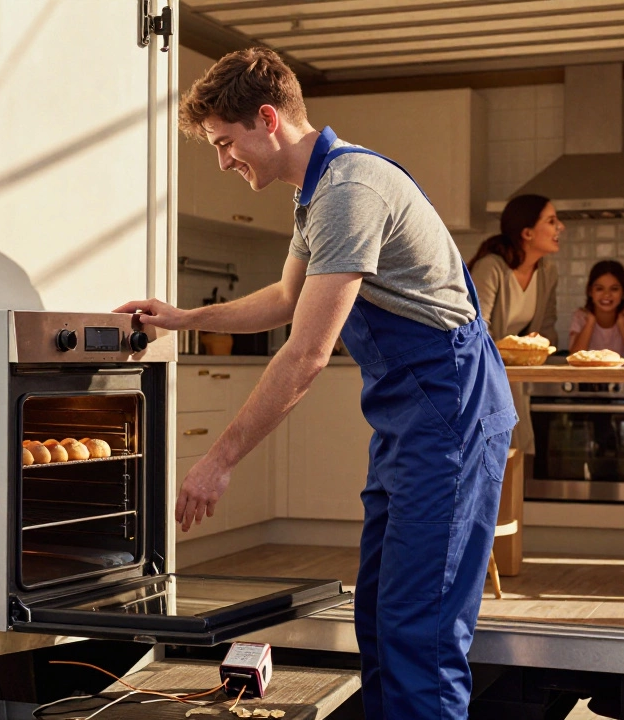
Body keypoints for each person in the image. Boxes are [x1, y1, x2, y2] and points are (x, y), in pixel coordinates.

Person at [114, 47, 514, 720]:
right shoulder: (320, 191)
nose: (223, 161)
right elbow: (284, 298)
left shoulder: (349, 191)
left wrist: (219, 459)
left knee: (422, 635)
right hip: (411, 425)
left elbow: (304, 355)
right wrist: (184, 318)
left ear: (266, 119)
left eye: (225, 143)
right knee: (383, 626)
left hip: (450, 415)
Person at [468, 194, 562, 454]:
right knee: (492, 454)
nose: (560, 227)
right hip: (481, 379)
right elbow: (476, 330)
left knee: (516, 453)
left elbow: (548, 329)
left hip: (513, 380)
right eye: (552, 221)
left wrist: (536, 344)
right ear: (528, 233)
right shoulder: (492, 268)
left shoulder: (547, 272)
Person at [568, 259, 624, 362]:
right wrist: (590, 322)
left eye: (614, 289)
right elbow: (574, 359)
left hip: (623, 377)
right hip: (589, 378)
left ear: (623, 292)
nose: (607, 295)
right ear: (590, 291)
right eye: (600, 289)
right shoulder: (580, 316)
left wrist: (622, 324)